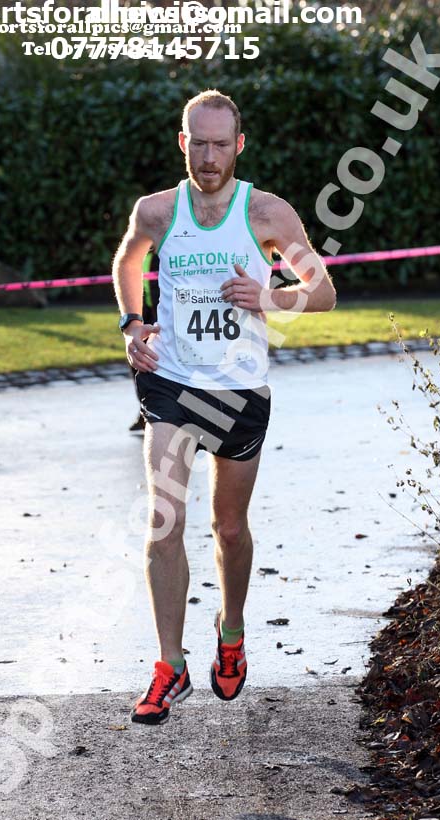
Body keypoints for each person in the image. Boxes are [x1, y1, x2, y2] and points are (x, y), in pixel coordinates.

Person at [112, 89, 336, 726]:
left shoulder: (266, 212)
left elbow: (323, 293)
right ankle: (168, 664)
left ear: (239, 146)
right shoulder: (157, 212)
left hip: (239, 391)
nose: (209, 157)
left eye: (220, 145)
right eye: (198, 144)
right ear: (183, 144)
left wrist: (271, 297)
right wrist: (133, 325)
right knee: (164, 519)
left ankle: (230, 630)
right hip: (172, 387)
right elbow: (128, 260)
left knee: (229, 530)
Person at [128, 247, 160, 433]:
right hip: (144, 316)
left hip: (162, 321)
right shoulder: (142, 254)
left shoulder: (168, 250)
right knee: (137, 364)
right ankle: (144, 411)